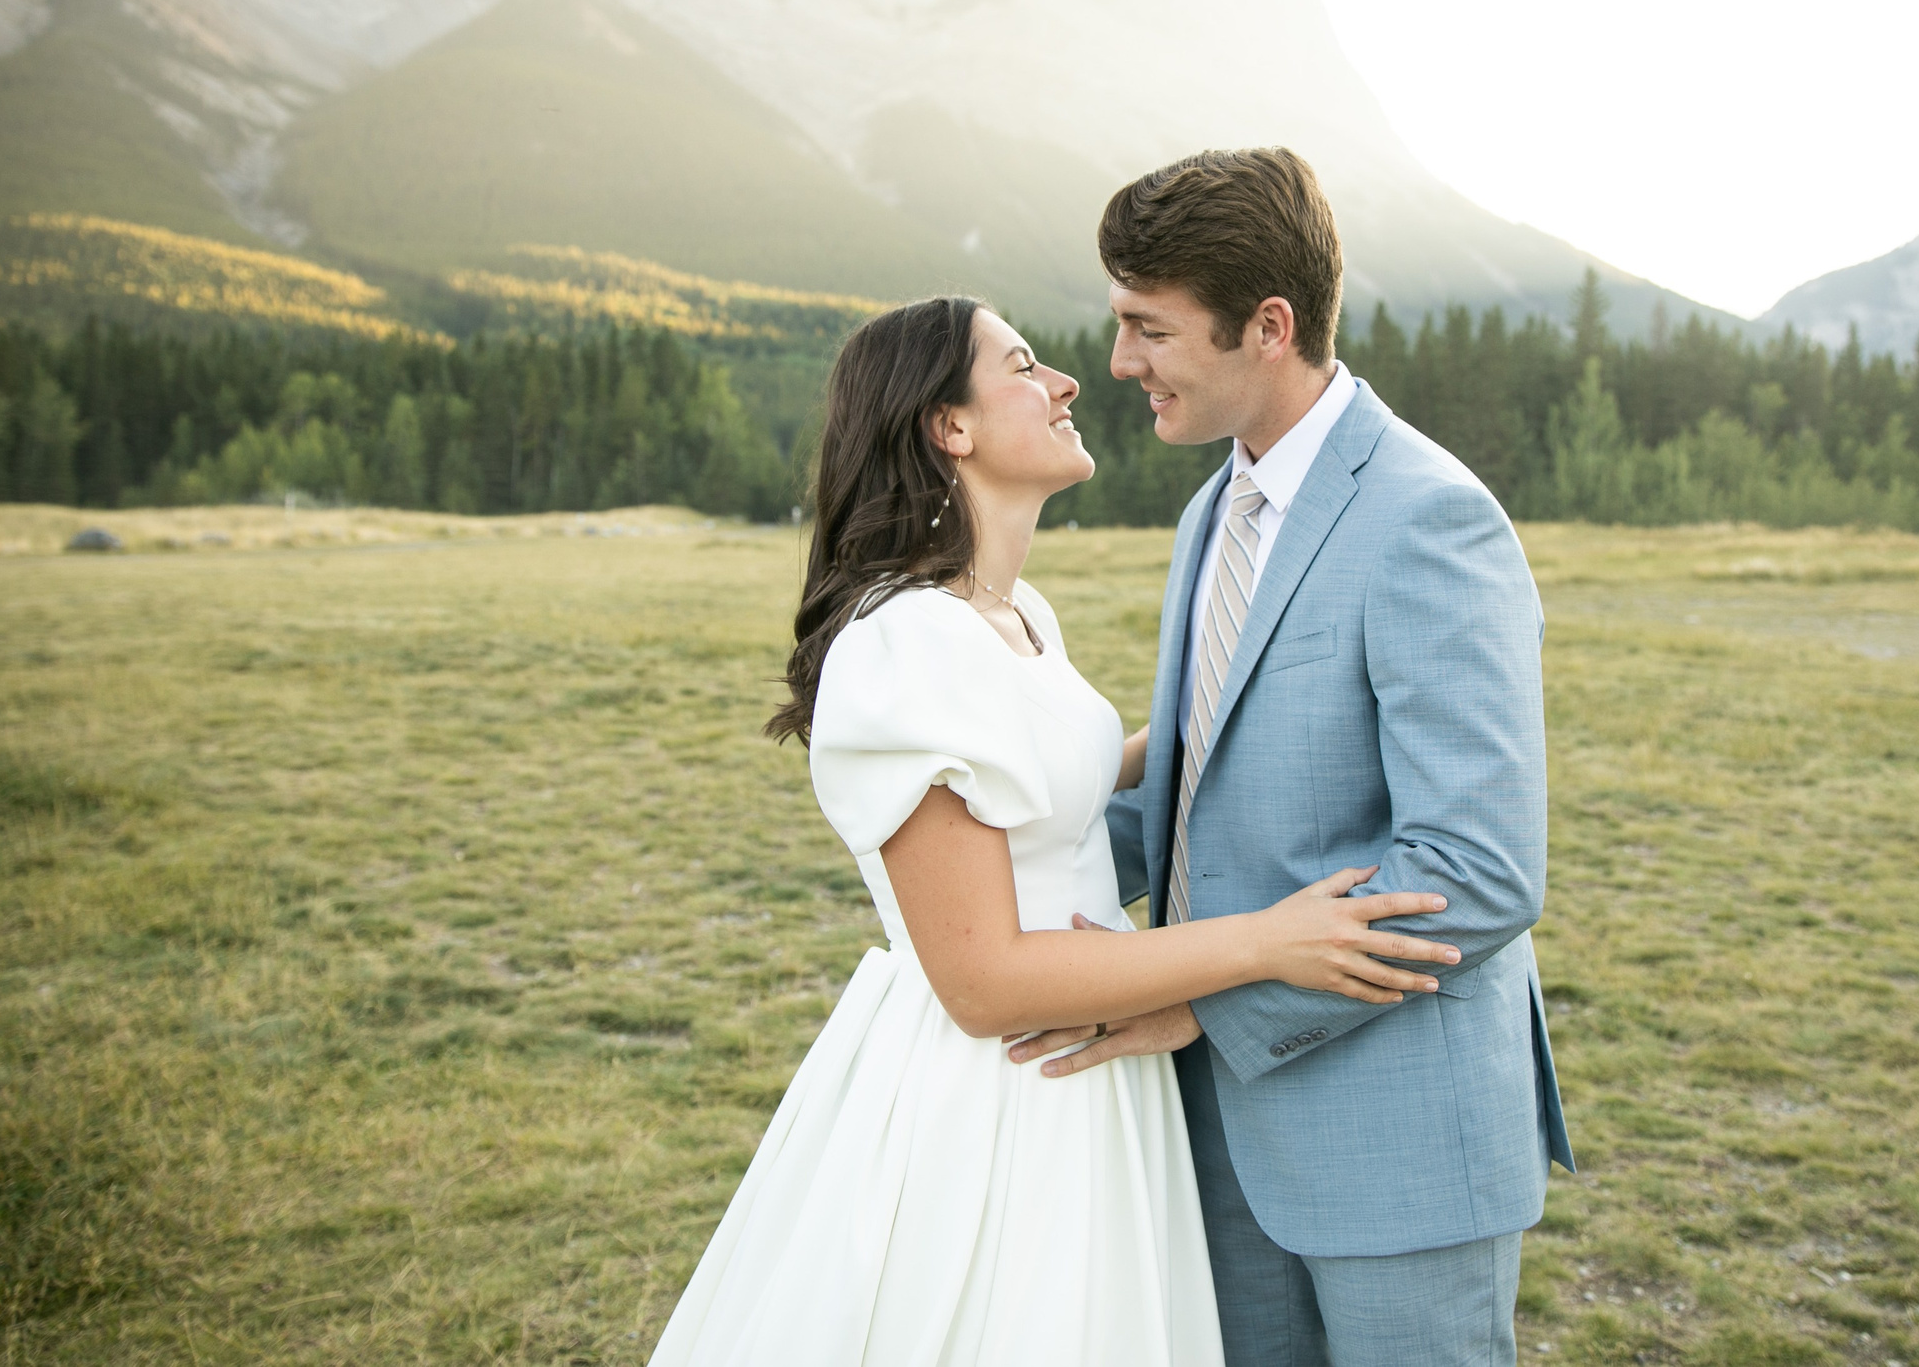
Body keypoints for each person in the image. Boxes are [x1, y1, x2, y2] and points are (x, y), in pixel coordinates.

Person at [645, 295, 1462, 1367]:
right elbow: (984, 983)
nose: (1069, 380)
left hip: (1096, 1069)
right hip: (1000, 1094)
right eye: (1024, 365)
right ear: (950, 428)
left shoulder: (1019, 616)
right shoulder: (905, 645)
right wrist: (1266, 943)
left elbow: (1059, 784)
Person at [1006, 148, 1575, 1367]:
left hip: (1398, 1144)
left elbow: (1473, 867)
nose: (1116, 364)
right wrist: (982, 863)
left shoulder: (1429, 517)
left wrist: (1200, 999)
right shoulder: (1215, 508)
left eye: (1146, 329)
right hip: (1216, 1143)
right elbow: (1200, 797)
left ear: (1267, 326)